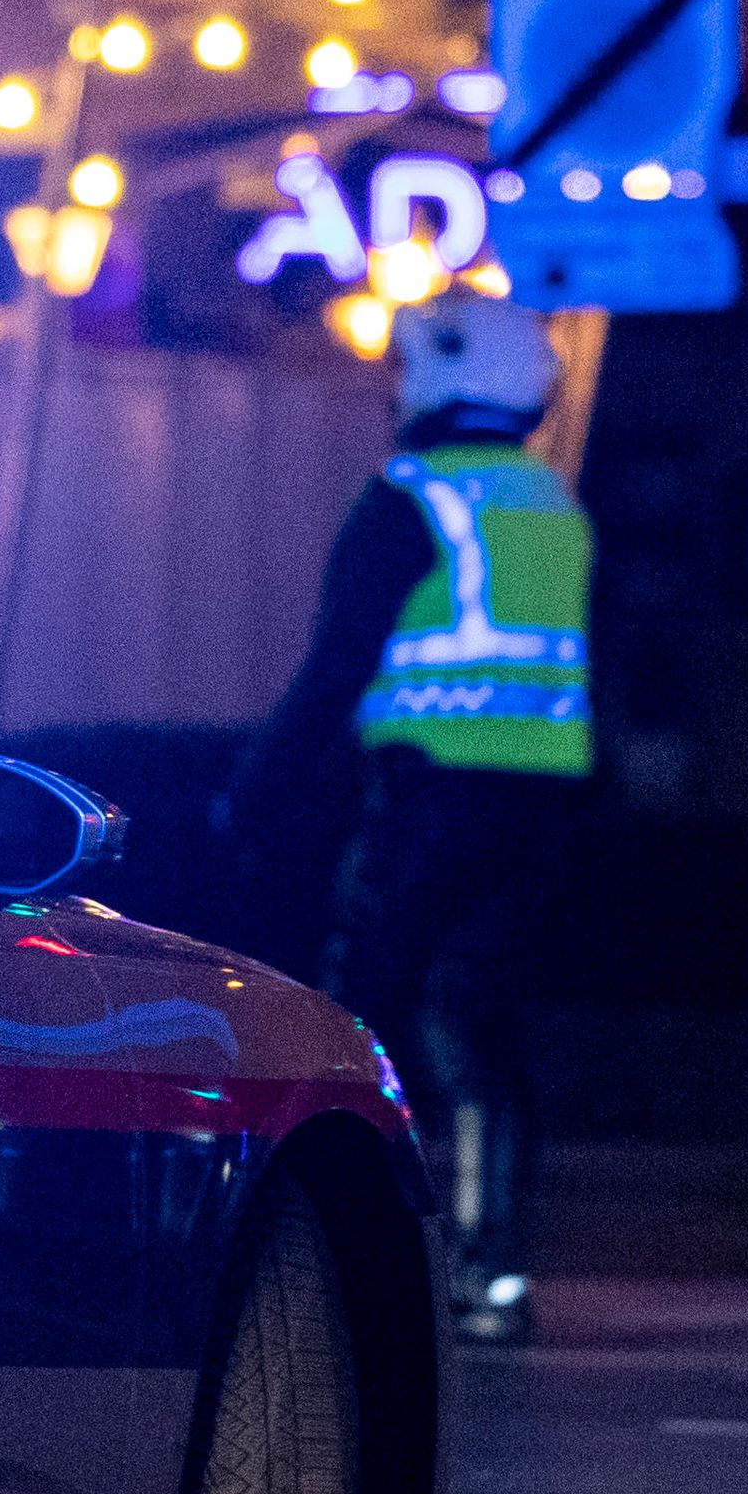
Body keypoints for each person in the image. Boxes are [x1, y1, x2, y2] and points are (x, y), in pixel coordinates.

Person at [227, 292, 591, 1343]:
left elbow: (338, 659)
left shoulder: (410, 496)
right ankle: (494, 1278)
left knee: (359, 1022)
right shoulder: (549, 503)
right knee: (481, 1026)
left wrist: (258, 786)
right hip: (537, 806)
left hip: (429, 794)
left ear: (438, 375)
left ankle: (349, 1259)